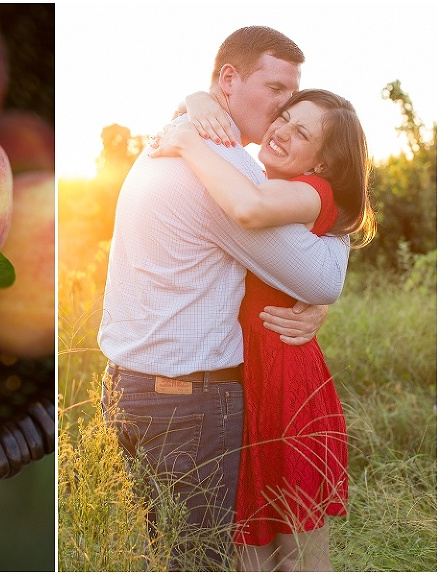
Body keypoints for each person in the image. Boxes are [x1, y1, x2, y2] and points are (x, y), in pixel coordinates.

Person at [97, 26, 349, 570]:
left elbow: (306, 264)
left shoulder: (188, 140)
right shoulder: (220, 166)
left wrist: (190, 110)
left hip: (138, 389)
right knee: (200, 561)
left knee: (185, 556)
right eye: (277, 90)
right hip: (187, 403)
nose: (284, 110)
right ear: (228, 80)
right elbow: (320, 278)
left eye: (292, 97)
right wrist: (320, 296)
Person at [150, 88, 376, 571]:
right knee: (249, 543)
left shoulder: (307, 192)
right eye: (285, 117)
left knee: (296, 551)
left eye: (302, 132)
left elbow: (248, 208)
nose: (281, 131)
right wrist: (194, 99)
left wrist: (188, 141)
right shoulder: (270, 185)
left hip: (281, 376)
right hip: (241, 374)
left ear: (323, 162)